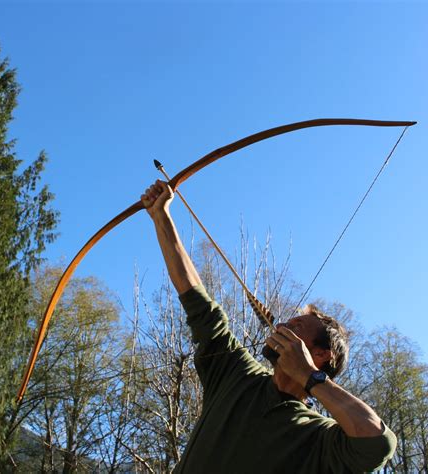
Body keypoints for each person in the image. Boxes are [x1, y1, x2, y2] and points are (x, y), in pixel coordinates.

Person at [141, 179, 396, 474]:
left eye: (298, 325)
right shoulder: (238, 374)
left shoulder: (318, 437)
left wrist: (308, 376)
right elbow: (196, 299)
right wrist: (161, 216)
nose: (284, 325)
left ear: (323, 355)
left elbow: (378, 443)